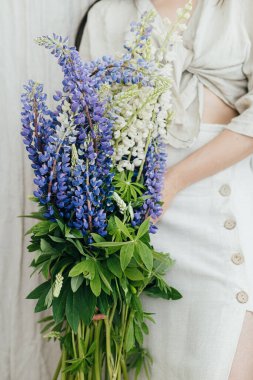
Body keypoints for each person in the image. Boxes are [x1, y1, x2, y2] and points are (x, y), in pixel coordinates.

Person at [76, 1, 253, 379]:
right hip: (134, 225)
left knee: (219, 360)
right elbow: (89, 135)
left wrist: (172, 182)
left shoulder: (240, 8)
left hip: (216, 207)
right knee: (145, 364)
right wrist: (93, 252)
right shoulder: (106, 14)